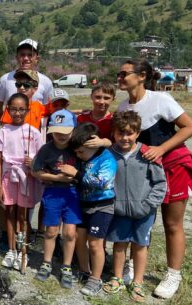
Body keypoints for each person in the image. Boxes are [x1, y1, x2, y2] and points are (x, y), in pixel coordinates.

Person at [117, 59, 192, 299]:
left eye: (124, 73)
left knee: (172, 223)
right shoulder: (123, 107)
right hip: (144, 171)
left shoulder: (160, 99)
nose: (120, 77)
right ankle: (132, 265)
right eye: (119, 74)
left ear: (142, 76)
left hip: (174, 165)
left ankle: (173, 274)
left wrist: (162, 149)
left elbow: (189, 127)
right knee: (137, 218)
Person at [102, 111, 167, 302]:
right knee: (119, 245)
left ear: (137, 133)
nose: (125, 137)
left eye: (130, 133)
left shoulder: (147, 153)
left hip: (144, 212)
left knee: (140, 246)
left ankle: (137, 282)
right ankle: (117, 278)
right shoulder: (108, 155)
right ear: (113, 133)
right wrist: (111, 203)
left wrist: (149, 205)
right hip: (118, 211)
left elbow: (160, 183)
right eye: (120, 133)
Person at [60, 122, 117, 296]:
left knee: (95, 244)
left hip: (102, 206)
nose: (78, 155)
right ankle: (85, 271)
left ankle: (95, 279)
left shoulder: (107, 159)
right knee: (79, 239)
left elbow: (102, 182)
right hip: (82, 204)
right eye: (76, 152)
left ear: (92, 144)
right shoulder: (82, 158)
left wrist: (76, 174)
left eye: (81, 152)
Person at [31, 109, 81, 289]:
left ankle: (66, 266)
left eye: (66, 131)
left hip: (73, 195)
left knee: (69, 233)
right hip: (52, 195)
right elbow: (35, 171)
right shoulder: (46, 148)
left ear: (74, 129)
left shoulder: (78, 147)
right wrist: (57, 178)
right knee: (51, 231)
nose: (61, 135)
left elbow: (99, 152)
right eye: (57, 131)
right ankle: (46, 262)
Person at [0, 93, 44, 271]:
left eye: (21, 109)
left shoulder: (34, 132)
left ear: (27, 110)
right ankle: (11, 249)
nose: (17, 113)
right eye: (13, 109)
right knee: (9, 212)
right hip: (9, 176)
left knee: (23, 215)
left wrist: (34, 163)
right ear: (8, 110)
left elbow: (41, 157)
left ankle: (24, 249)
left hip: (26, 178)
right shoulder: (4, 130)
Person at [0, 38, 54, 121]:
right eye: (22, 54)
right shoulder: (5, 79)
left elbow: (48, 108)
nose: (26, 58)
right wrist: (5, 124)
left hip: (35, 131)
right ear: (17, 57)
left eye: (30, 55)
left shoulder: (46, 82)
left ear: (37, 58)